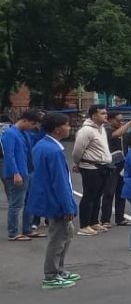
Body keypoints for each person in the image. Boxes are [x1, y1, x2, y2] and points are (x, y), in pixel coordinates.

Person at [28, 113, 79, 289]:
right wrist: (68, 206)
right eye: (67, 125)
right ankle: (51, 275)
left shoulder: (42, 145)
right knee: (58, 238)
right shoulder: (53, 151)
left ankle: (59, 270)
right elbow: (60, 182)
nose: (69, 128)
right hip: (56, 201)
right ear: (57, 128)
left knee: (66, 234)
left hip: (48, 198)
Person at [71, 104, 113, 236]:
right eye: (102, 113)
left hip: (103, 166)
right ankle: (84, 225)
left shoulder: (102, 129)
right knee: (89, 196)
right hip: (90, 167)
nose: (105, 115)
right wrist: (77, 163)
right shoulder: (86, 130)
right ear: (94, 115)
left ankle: (94, 221)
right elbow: (77, 150)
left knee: (97, 195)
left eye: (106, 113)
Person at [2, 110, 41, 241]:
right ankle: (13, 232)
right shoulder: (9, 134)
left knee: (29, 201)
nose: (33, 127)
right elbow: (9, 155)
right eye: (32, 124)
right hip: (18, 172)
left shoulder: (25, 133)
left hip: (29, 170)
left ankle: (27, 229)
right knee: (16, 203)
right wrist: (15, 173)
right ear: (24, 120)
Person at [101, 111, 131, 228]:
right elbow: (115, 135)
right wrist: (130, 123)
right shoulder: (106, 131)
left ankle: (120, 217)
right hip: (111, 166)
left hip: (122, 165)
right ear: (110, 120)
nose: (121, 123)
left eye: (122, 120)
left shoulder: (123, 133)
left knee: (121, 193)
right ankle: (105, 219)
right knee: (109, 192)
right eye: (118, 120)